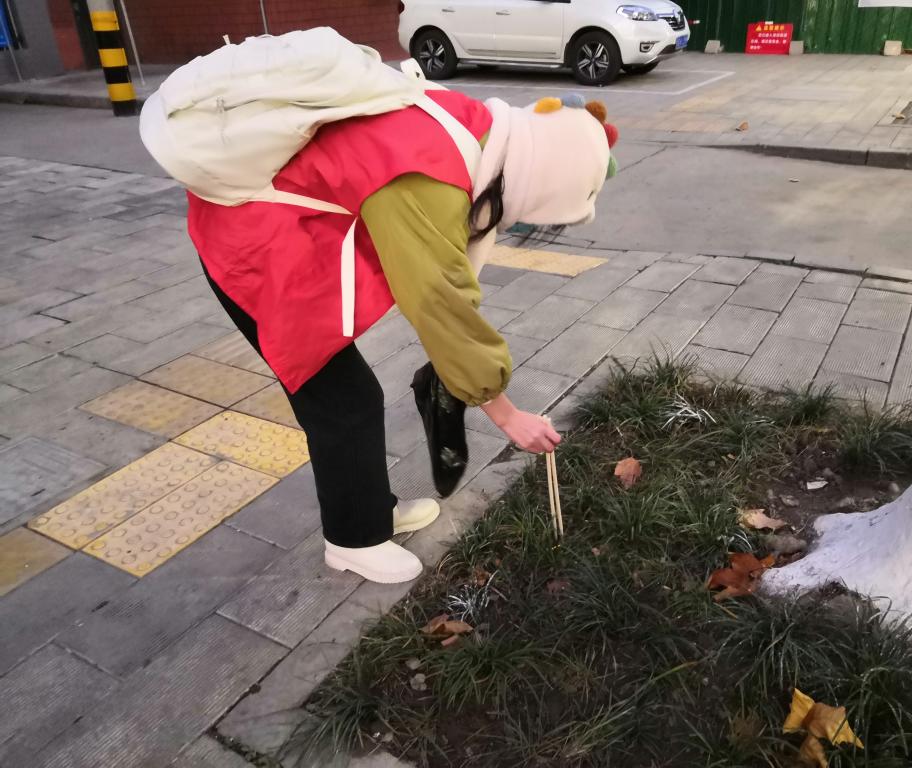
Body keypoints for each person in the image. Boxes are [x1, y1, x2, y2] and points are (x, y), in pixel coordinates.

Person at [186, 89, 618, 584]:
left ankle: (371, 508)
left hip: (281, 229)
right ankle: (353, 541)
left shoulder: (475, 129)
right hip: (251, 247)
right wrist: (506, 414)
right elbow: (438, 300)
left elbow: (446, 276)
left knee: (352, 396)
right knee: (344, 404)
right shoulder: (429, 175)